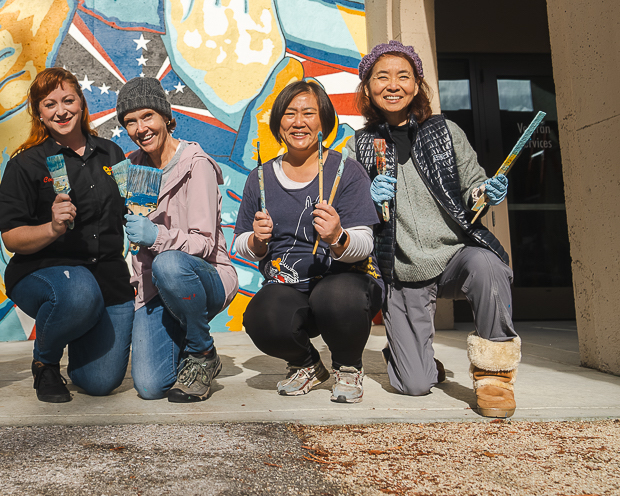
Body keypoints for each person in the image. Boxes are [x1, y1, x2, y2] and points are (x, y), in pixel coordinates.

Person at [352, 40, 520, 418]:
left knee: (489, 266)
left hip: (455, 256)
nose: (392, 85)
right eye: (382, 77)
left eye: (403, 76)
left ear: (416, 86)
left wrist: (485, 192)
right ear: (368, 87)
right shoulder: (359, 146)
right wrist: (367, 196)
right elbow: (355, 212)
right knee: (414, 385)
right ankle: (413, 358)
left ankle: (495, 376)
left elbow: (473, 185)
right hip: (403, 268)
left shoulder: (445, 131)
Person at [0, 68, 133, 403]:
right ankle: (46, 362)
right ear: (39, 114)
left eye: (68, 100)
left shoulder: (112, 153)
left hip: (108, 278)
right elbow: (11, 238)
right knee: (79, 292)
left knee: (99, 382)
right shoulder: (26, 164)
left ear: (82, 103)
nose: (61, 110)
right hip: (45, 272)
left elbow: (130, 207)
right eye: (49, 104)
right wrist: (53, 228)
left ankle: (78, 332)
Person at [233, 80, 382, 403]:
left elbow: (365, 242)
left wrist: (337, 237)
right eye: (289, 114)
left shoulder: (346, 171)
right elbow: (240, 242)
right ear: (278, 123)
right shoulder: (260, 178)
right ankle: (306, 364)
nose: (298, 122)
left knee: (338, 296)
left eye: (308, 113)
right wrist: (257, 241)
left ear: (323, 121)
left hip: (343, 282)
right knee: (261, 316)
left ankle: (347, 366)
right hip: (289, 284)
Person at [115, 77, 239, 402]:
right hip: (156, 285)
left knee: (169, 263)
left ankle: (202, 352)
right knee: (150, 386)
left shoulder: (196, 166)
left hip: (202, 276)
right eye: (130, 121)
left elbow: (204, 244)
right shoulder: (132, 169)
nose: (141, 128)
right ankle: (186, 338)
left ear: (165, 116)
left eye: (147, 117)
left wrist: (155, 235)